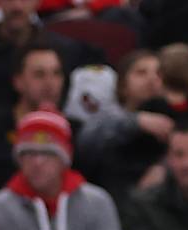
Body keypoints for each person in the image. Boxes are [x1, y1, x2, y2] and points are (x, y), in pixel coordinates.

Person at [0, 109, 126, 230]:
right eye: (29, 153)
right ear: (19, 159)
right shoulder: (1, 208)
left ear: (65, 159)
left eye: (48, 153)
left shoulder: (97, 203)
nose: (38, 162)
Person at [0, 41, 70, 212]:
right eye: (39, 75)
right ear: (18, 81)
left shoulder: (72, 130)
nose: (50, 83)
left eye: (56, 74)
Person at [75, 49, 180, 201]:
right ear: (123, 86)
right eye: (141, 73)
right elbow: (87, 142)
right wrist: (136, 121)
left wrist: (165, 168)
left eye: (158, 73)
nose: (152, 79)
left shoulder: (174, 118)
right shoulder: (108, 118)